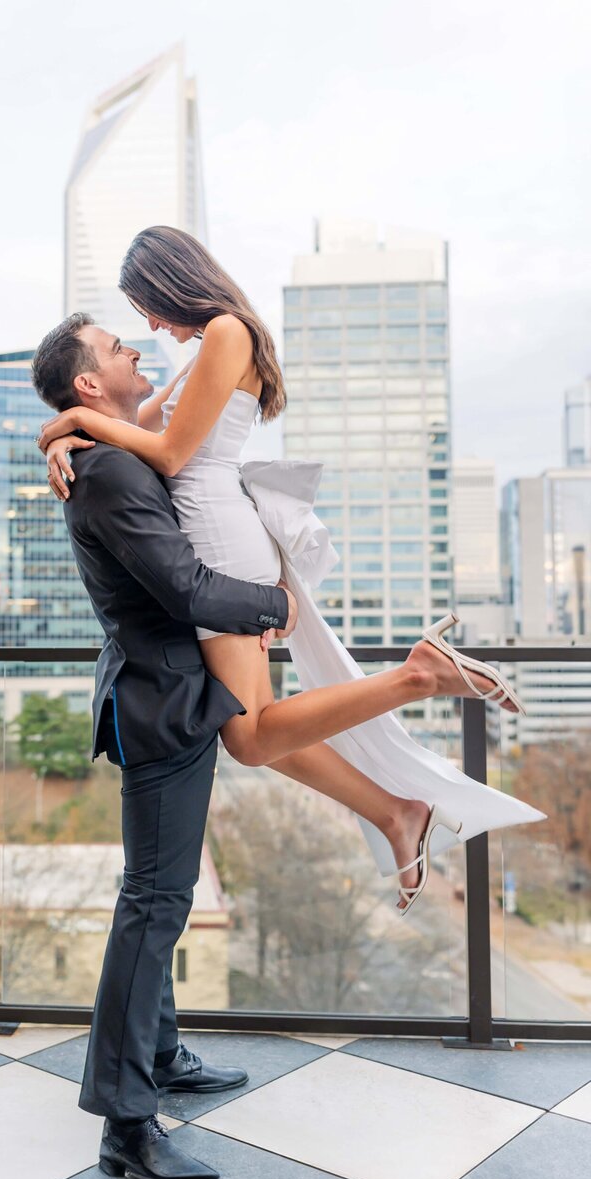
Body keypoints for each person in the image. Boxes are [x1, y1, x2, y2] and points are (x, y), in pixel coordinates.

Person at [30, 313, 535, 1179]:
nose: (136, 351)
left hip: (174, 689)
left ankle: (163, 1053)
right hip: (162, 700)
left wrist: (63, 428)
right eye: (118, 348)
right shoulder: (111, 473)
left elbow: (170, 453)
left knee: (162, 894)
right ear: (87, 382)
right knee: (153, 903)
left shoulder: (111, 447)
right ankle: (125, 1124)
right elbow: (184, 585)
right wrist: (274, 607)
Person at [37, 230, 546, 917]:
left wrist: (72, 417)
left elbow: (168, 452)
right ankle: (397, 807)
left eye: (149, 308)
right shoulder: (210, 346)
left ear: (169, 281)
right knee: (253, 733)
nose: (152, 326)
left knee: (250, 736)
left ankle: (418, 677)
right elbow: (133, 425)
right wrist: (73, 430)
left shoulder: (225, 333)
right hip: (220, 533)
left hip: (218, 536)